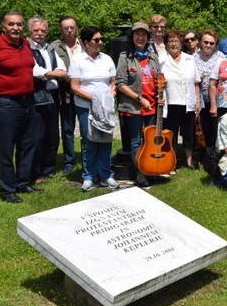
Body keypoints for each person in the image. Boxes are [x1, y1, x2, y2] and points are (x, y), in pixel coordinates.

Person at [0, 11, 41, 203]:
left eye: (19, 24)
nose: (16, 28)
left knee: (27, 144)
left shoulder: (26, 43)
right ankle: (7, 190)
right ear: (3, 26)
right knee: (6, 147)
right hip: (6, 103)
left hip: (28, 100)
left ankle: (22, 183)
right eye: (11, 24)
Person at [69, 26, 118, 191]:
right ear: (85, 42)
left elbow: (113, 81)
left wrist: (109, 97)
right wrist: (95, 99)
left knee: (105, 141)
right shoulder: (78, 60)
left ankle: (105, 175)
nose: (100, 42)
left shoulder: (107, 59)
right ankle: (88, 176)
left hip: (105, 107)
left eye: (102, 39)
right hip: (86, 107)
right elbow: (74, 87)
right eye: (96, 40)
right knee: (89, 141)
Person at [116, 22, 162, 187]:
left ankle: (151, 169)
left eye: (143, 34)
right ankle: (140, 173)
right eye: (137, 34)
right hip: (134, 107)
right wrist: (139, 98)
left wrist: (161, 94)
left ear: (148, 37)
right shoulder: (125, 57)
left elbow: (160, 80)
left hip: (152, 106)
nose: (140, 37)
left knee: (150, 141)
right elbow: (120, 84)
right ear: (132, 37)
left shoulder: (153, 57)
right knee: (136, 142)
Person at [28, 16, 69, 182]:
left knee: (52, 134)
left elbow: (63, 68)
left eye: (43, 30)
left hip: (52, 95)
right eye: (36, 30)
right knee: (37, 135)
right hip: (37, 95)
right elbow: (33, 70)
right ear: (29, 31)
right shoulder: (26, 48)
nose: (39, 33)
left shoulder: (49, 48)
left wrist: (53, 72)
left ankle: (49, 168)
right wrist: (52, 73)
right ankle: (35, 172)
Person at [161, 30, 201, 170]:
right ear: (166, 44)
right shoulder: (162, 61)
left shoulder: (190, 59)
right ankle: (170, 161)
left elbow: (196, 82)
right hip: (170, 102)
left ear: (181, 44)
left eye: (176, 41)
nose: (173, 44)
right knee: (170, 134)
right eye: (170, 41)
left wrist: (198, 101)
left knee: (188, 133)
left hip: (188, 103)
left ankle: (189, 161)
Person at [51, 16, 82, 173]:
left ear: (76, 28)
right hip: (65, 94)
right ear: (61, 30)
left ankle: (87, 158)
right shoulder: (54, 47)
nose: (69, 31)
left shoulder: (85, 43)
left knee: (86, 129)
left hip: (84, 92)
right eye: (66, 28)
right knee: (68, 129)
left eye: (72, 27)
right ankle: (69, 161)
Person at [194, 29, 225, 148]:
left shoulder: (221, 57)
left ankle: (213, 155)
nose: (208, 45)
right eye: (205, 42)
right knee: (200, 128)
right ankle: (201, 155)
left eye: (211, 43)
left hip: (217, 100)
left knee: (214, 129)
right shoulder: (193, 58)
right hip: (199, 99)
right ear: (200, 42)